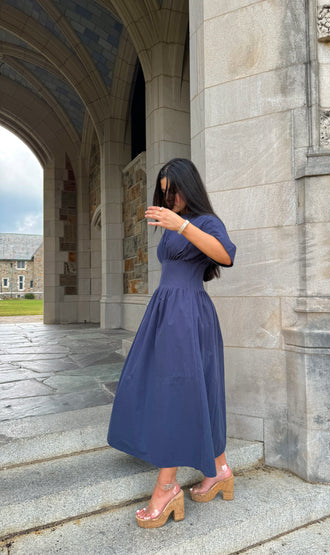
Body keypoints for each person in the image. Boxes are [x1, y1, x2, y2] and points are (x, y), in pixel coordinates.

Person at [107, 158, 237, 529]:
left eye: (174, 190)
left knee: (176, 393)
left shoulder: (204, 222)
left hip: (188, 315)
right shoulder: (171, 223)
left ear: (189, 187)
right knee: (180, 389)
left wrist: (181, 224)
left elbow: (226, 255)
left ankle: (166, 488)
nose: (169, 197)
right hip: (165, 312)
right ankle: (220, 469)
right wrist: (174, 224)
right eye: (164, 192)